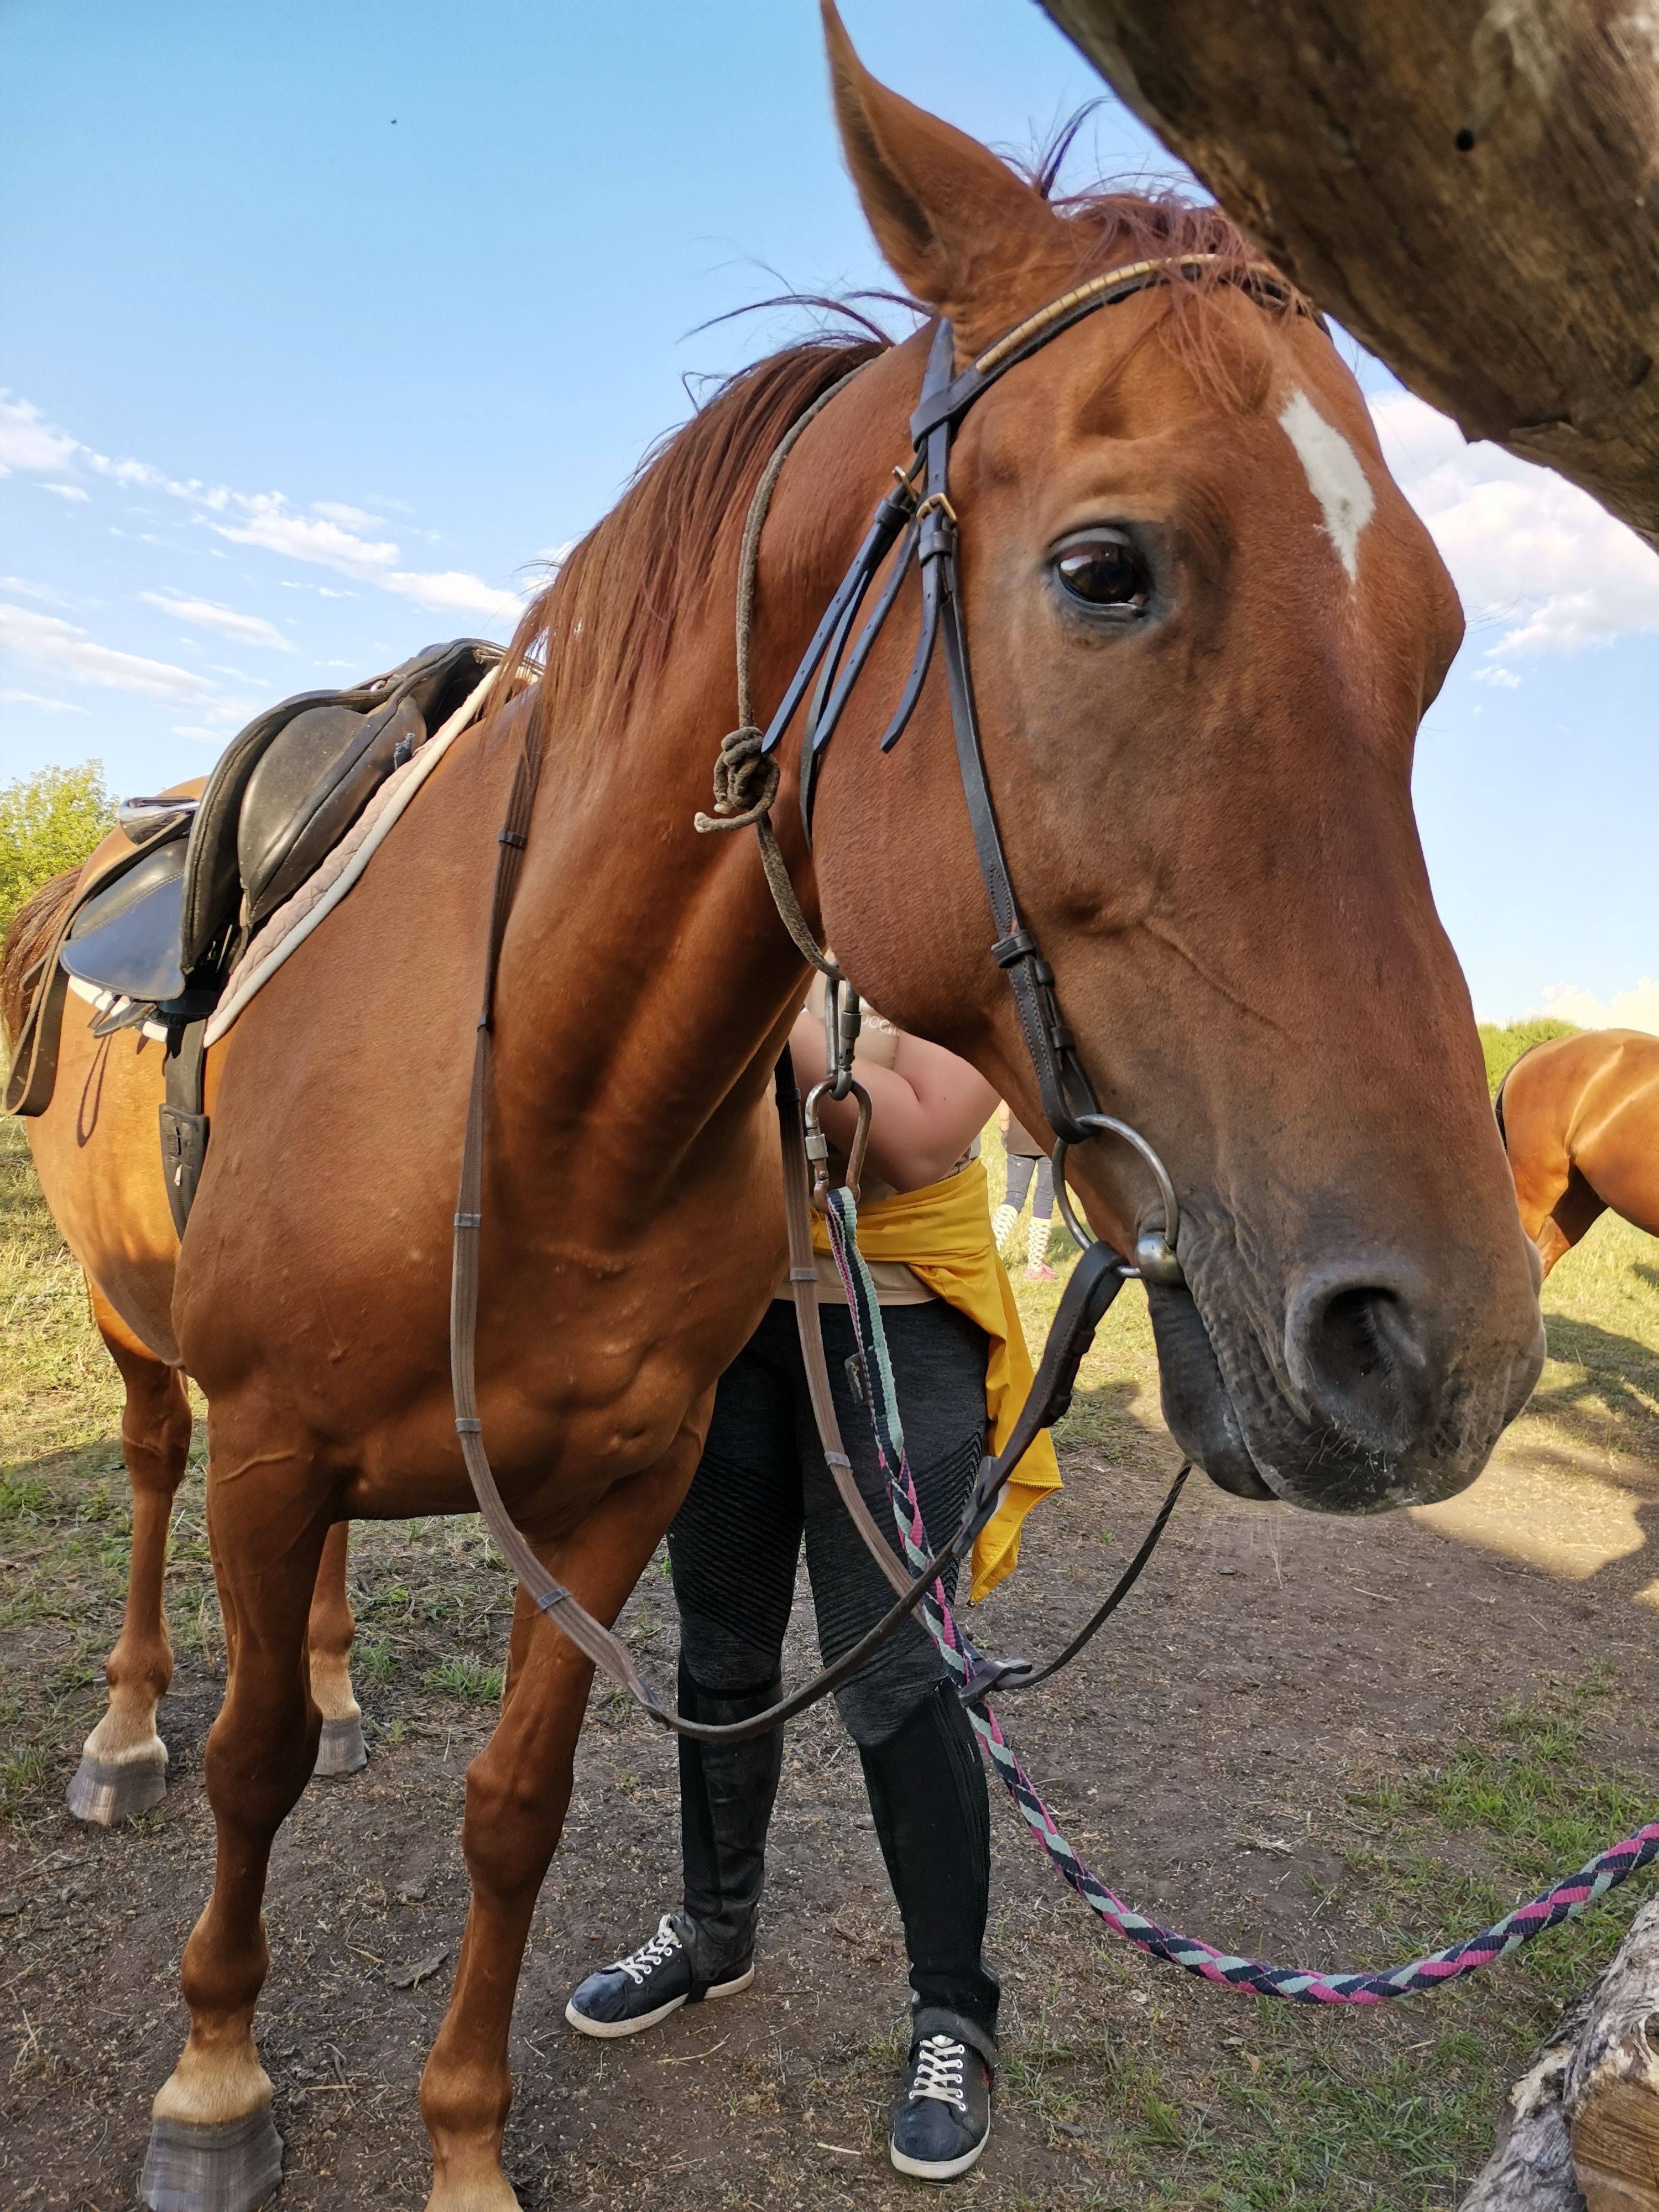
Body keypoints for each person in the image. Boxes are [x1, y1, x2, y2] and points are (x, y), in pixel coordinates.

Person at [565, 981, 1061, 2183]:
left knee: (896, 1679)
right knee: (721, 1649)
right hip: (733, 1322)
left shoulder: (946, 941)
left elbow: (915, 1131)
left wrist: (751, 985)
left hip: (899, 1326)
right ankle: (714, 1927)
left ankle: (953, 2013)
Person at [991, 1104, 1057, 1281]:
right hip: (1050, 1138)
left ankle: (987, 1256)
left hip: (1018, 1136)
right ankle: (1034, 1269)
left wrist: (1005, 1128)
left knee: (1013, 1198)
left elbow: (1004, 1098)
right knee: (1044, 1202)